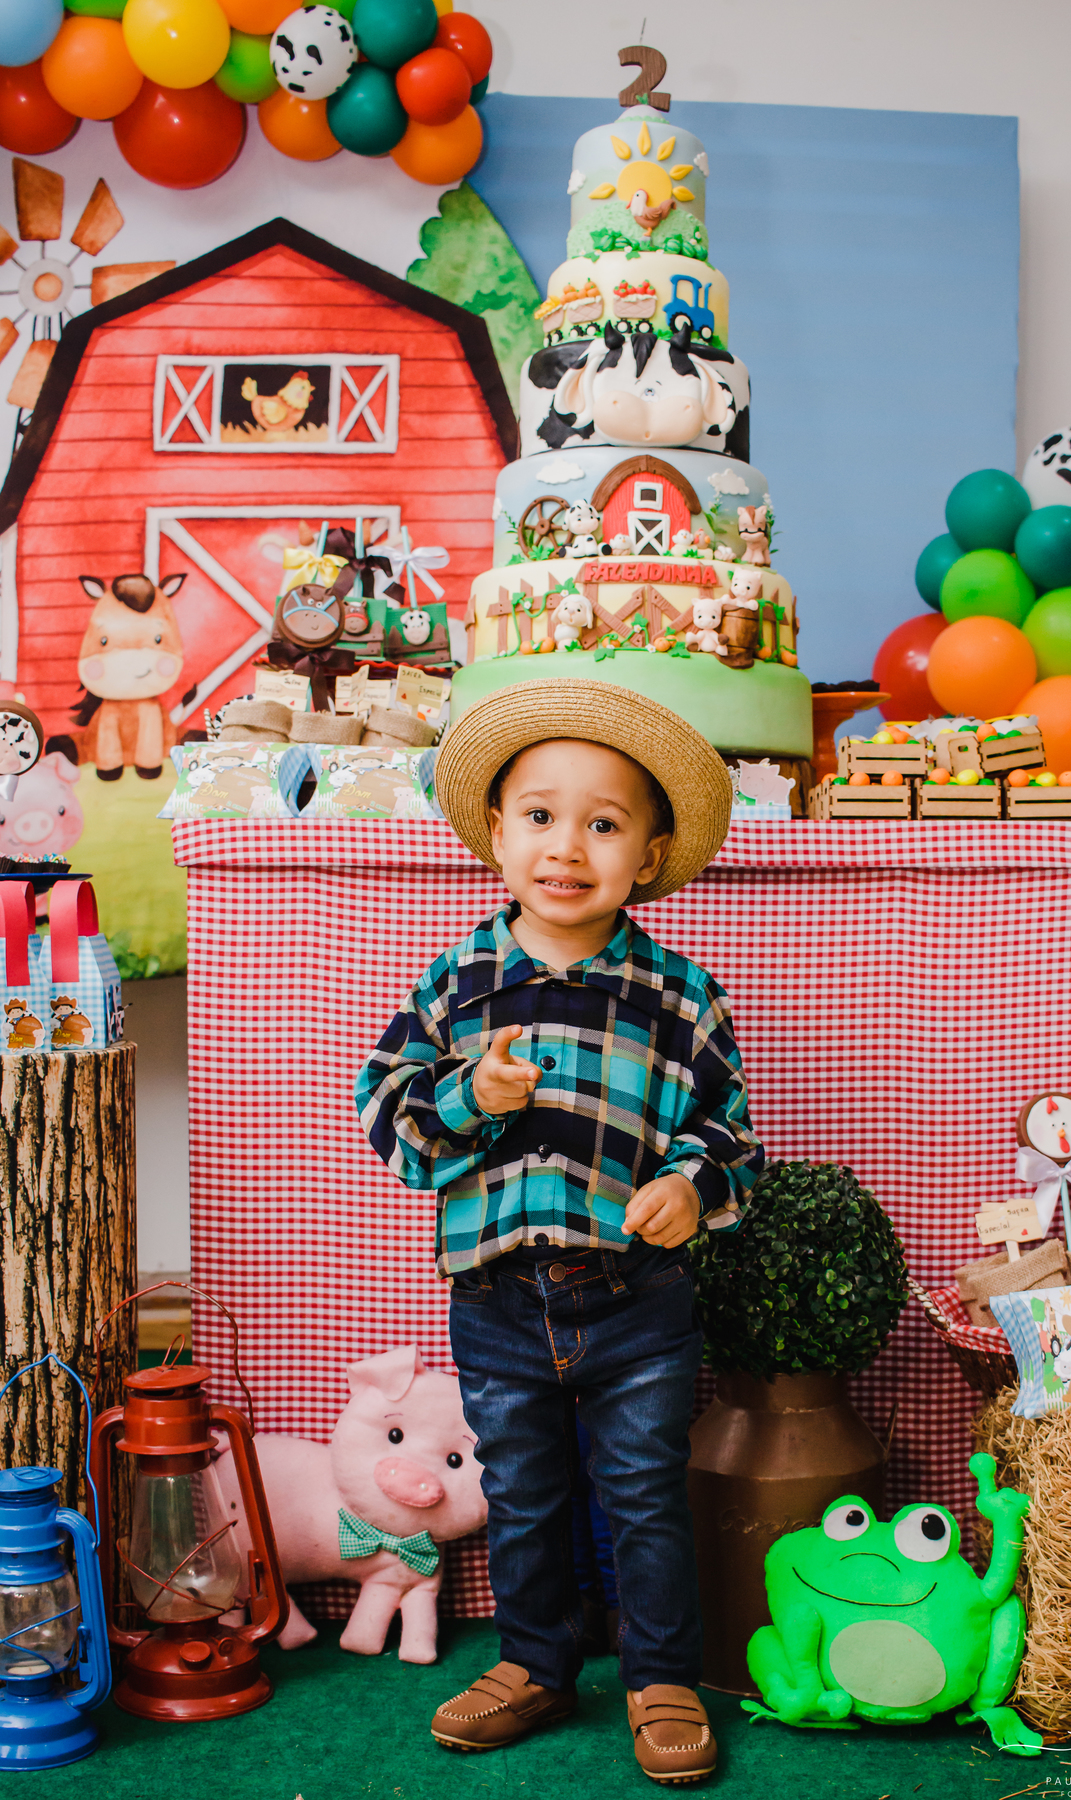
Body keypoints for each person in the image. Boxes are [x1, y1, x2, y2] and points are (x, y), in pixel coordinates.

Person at [356, 679, 763, 1784]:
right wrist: (469, 1098)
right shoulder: (457, 985)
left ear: (650, 853)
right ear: (498, 832)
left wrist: (692, 1185)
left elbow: (731, 1132)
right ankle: (535, 1662)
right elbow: (388, 1115)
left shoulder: (680, 997)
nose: (567, 847)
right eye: (540, 815)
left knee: (644, 1493)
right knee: (524, 1494)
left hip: (637, 1302)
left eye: (604, 823)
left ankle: (660, 1673)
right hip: (497, 1300)